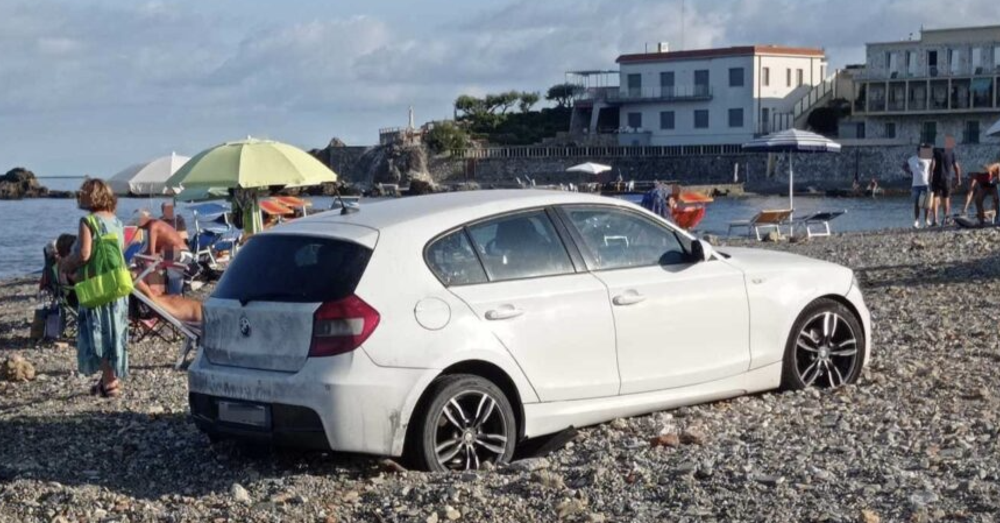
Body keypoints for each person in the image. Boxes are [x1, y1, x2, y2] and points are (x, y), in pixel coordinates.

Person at [58, 179, 129, 398]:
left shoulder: (88, 221)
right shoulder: (117, 221)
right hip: (117, 284)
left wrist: (65, 264)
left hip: (97, 287)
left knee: (99, 333)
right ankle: (111, 378)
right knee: (115, 332)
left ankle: (109, 383)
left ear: (90, 196)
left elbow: (84, 254)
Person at [134, 209, 192, 295]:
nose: (137, 225)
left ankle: (156, 294)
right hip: (183, 253)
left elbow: (151, 253)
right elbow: (155, 251)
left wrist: (137, 257)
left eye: (136, 222)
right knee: (156, 267)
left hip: (179, 254)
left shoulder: (153, 226)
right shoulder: (158, 224)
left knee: (151, 267)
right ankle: (164, 294)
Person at [930, 136, 962, 226]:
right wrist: (958, 178)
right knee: (946, 198)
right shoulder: (951, 152)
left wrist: (930, 175)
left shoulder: (935, 151)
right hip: (947, 179)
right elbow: (956, 166)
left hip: (936, 178)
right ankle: (946, 219)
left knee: (935, 198)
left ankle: (935, 219)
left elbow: (933, 163)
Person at [903, 145, 934, 228]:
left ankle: (926, 221)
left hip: (925, 183)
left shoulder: (928, 158)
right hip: (916, 185)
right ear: (918, 151)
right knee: (917, 204)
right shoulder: (912, 159)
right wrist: (910, 172)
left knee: (926, 204)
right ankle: (916, 221)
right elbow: (904, 166)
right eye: (921, 150)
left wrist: (931, 174)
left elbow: (933, 163)